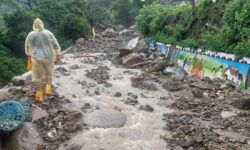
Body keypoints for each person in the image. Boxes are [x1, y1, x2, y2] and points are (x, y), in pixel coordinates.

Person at [25, 18, 61, 102]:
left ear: (34, 25)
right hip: (48, 57)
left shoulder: (30, 35)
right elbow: (55, 44)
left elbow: (27, 47)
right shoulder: (48, 33)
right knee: (49, 73)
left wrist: (29, 56)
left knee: (38, 77)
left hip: (37, 58)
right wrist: (58, 54)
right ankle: (48, 89)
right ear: (42, 24)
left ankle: (39, 96)